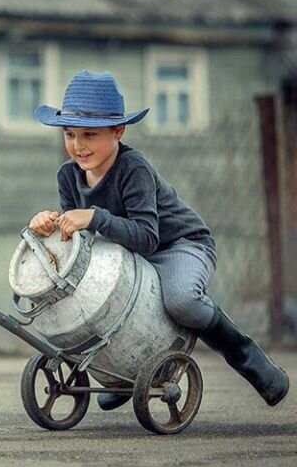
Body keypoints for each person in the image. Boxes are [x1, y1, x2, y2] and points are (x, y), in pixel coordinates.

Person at [28, 69, 289, 410]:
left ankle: (250, 359)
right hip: (125, 256)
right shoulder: (68, 175)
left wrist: (94, 216)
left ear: (118, 131)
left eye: (90, 135)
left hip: (178, 245)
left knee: (181, 300)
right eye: (70, 134)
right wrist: (48, 223)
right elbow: (77, 238)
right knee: (96, 295)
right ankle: (125, 371)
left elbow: (148, 237)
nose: (78, 146)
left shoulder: (133, 169)